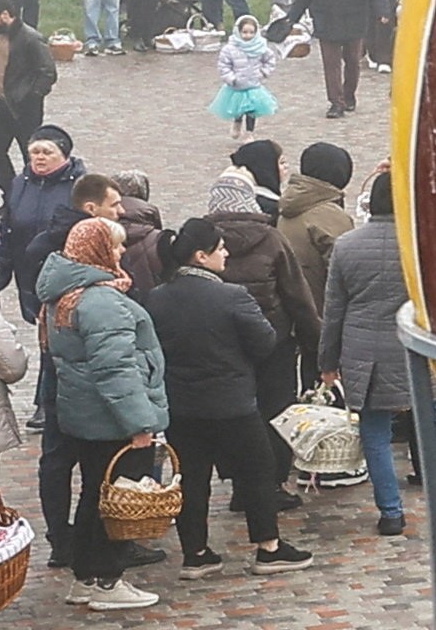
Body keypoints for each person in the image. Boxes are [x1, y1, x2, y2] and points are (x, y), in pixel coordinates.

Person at [324, 169, 436, 534]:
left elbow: (334, 311)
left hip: (364, 352)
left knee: (374, 432)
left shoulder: (346, 246)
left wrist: (327, 362)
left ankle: (391, 512)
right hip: (413, 346)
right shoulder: (423, 245)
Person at [139, 216, 309, 573]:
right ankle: (268, 546)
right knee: (258, 468)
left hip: (182, 405)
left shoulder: (157, 298)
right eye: (220, 248)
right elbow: (265, 342)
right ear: (201, 256)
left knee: (191, 477)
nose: (226, 253)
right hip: (232, 402)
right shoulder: (232, 296)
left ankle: (196, 553)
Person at [33, 216, 171, 612]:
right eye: (115, 246)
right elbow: (116, 369)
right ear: (95, 251)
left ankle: (85, 577)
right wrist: (140, 423)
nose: (122, 252)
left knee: (95, 495)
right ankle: (108, 579)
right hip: (113, 421)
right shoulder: (101, 301)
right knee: (119, 500)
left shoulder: (64, 294)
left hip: (83, 414)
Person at [207, 170, 320, 379]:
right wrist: (314, 341)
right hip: (273, 339)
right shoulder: (271, 238)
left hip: (218, 342)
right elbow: (296, 294)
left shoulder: (202, 240)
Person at [276, 141, 361, 390]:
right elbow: (348, 271)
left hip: (299, 314)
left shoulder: (291, 205)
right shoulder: (328, 216)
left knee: (310, 380)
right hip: (327, 317)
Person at [0, 128, 92, 314]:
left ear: (64, 155)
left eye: (47, 152)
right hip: (28, 277)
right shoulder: (19, 184)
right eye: (34, 152)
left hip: (68, 281)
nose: (40, 157)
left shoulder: (81, 187)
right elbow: (6, 236)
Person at [0, 0, 59, 171]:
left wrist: (32, 96)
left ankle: (33, 191)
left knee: (30, 154)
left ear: (5, 14)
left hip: (24, 106)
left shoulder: (31, 38)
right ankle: (11, 191)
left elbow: (48, 72)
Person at [212, 19, 280, 138]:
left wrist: (263, 72)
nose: (248, 36)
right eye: (244, 32)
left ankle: (249, 133)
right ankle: (237, 123)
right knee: (237, 108)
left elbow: (270, 60)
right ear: (238, 31)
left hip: (253, 86)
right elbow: (223, 65)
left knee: (251, 111)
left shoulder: (261, 47)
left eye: (251, 32)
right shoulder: (230, 49)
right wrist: (230, 78)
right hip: (236, 86)